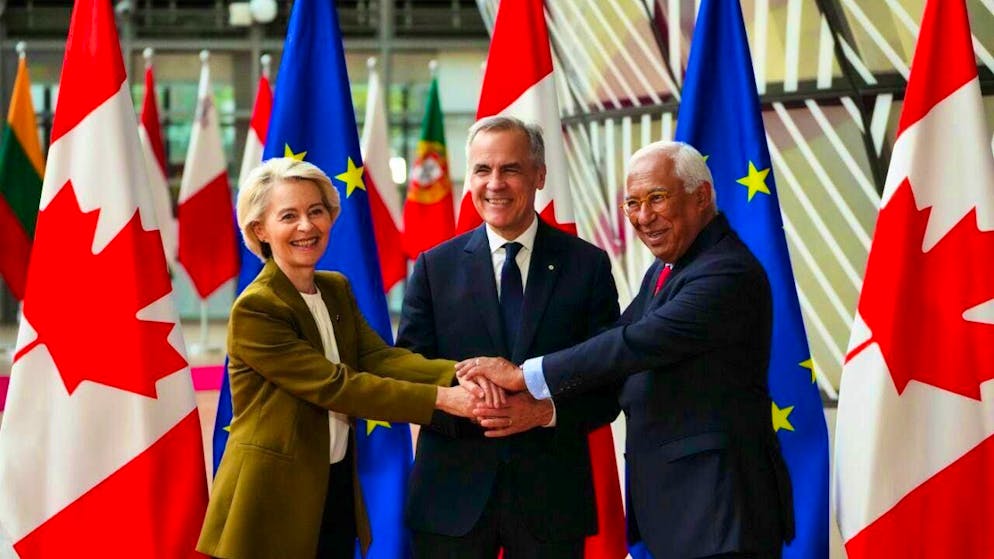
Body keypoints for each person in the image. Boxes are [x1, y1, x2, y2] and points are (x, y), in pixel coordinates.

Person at [460, 141, 795, 559]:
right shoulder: (670, 267)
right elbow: (616, 335)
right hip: (684, 508)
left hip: (719, 509)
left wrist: (522, 375)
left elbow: (633, 344)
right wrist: (540, 403)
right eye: (632, 203)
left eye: (657, 198)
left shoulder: (725, 272)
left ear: (701, 196)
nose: (643, 216)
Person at [197, 157, 482, 559]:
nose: (306, 226)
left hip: (331, 484)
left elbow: (378, 358)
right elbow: (335, 386)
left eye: (316, 211)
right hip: (270, 497)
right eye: (288, 215)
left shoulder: (334, 288)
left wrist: (463, 374)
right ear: (260, 229)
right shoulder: (257, 308)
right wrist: (442, 400)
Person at [397, 116, 621, 558]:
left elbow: (609, 381)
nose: (494, 183)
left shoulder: (587, 266)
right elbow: (410, 374)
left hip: (551, 501)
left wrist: (542, 412)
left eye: (510, 169)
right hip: (450, 500)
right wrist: (472, 407)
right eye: (482, 170)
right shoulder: (433, 268)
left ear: (539, 175)